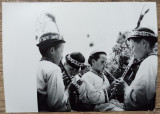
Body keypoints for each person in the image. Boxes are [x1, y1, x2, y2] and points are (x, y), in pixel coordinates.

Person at [114, 27, 158, 111]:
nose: (132, 51)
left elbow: (136, 101)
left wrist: (124, 87)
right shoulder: (153, 61)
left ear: (143, 43)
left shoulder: (148, 62)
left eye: (133, 47)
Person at [36, 32, 69, 112]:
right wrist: (67, 92)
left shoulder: (36, 66)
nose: (62, 56)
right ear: (52, 50)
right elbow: (56, 105)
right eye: (61, 51)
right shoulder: (54, 69)